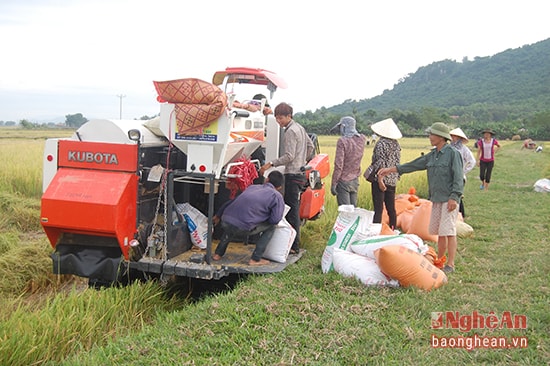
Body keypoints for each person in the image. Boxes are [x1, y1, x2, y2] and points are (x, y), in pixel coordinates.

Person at [378, 122, 464, 274]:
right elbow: (413, 165)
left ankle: (450, 264)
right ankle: (440, 259)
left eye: (432, 134)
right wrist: (391, 170)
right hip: (436, 198)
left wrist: (454, 197)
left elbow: (458, 177)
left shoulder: (452, 154)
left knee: (449, 232)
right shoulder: (433, 155)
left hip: (448, 198)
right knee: (440, 232)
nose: (430, 137)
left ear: (441, 137)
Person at [259, 102, 314, 254]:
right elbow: (311, 147)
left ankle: (293, 246)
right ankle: (292, 244)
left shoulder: (290, 131)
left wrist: (270, 164)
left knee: (291, 211)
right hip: (300, 173)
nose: (278, 121)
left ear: (289, 116)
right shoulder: (300, 128)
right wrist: (302, 160)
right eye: (276, 118)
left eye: (281, 118)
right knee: (293, 209)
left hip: (292, 174)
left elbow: (289, 156)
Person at [212, 170, 285, 265]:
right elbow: (275, 220)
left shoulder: (252, 187)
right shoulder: (276, 196)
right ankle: (255, 259)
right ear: (279, 187)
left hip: (225, 221)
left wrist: (218, 215)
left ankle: (217, 254)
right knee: (271, 227)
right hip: (243, 227)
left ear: (267, 180)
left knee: (234, 222)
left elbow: (232, 202)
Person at [366, 118, 402, 229]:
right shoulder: (396, 144)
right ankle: (392, 230)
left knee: (378, 209)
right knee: (391, 208)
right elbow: (397, 163)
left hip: (380, 180)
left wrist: (380, 180)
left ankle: (375, 232)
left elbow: (380, 162)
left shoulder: (381, 143)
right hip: (392, 180)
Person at [330, 116, 366, 206]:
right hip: (355, 180)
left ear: (344, 127)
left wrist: (334, 183)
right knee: (353, 212)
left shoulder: (342, 141)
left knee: (345, 213)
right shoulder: (362, 139)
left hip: (343, 181)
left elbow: (339, 165)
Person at [449, 127, 476, 218]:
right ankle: (456, 216)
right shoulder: (447, 148)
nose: (452, 137)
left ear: (458, 137)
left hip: (459, 177)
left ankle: (460, 216)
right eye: (451, 136)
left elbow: (472, 162)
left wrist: (462, 171)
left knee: (457, 196)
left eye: (454, 136)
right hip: (448, 176)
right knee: (450, 196)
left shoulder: (464, 149)